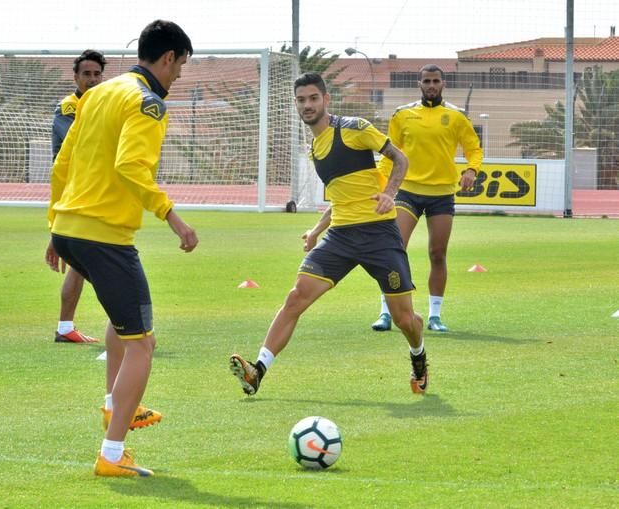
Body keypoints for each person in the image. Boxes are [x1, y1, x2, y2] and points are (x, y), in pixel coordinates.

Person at [45, 19, 198, 477]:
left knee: (121, 323)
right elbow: (132, 167)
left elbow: (63, 162)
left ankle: (117, 406)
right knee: (144, 344)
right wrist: (172, 216)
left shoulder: (97, 93)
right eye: (181, 67)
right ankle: (112, 455)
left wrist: (54, 225)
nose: (178, 77)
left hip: (71, 227)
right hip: (103, 234)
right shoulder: (148, 103)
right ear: (168, 58)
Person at [229, 72, 428, 398]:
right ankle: (258, 371)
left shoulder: (355, 128)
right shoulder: (315, 149)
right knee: (296, 297)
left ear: (326, 99)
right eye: (301, 100)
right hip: (340, 237)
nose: (307, 105)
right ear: (296, 104)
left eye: (313, 98)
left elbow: (400, 158)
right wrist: (316, 230)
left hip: (379, 235)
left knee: (404, 319)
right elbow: (339, 200)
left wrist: (391, 192)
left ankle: (418, 357)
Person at [370, 64, 483, 333]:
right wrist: (385, 189)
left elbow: (474, 149)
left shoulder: (456, 117)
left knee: (438, 254)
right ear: (419, 84)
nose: (431, 85)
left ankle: (435, 315)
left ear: (443, 84)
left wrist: (471, 170)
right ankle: (386, 312)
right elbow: (390, 156)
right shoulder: (402, 115)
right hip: (407, 192)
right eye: (426, 81)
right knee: (394, 251)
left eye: (436, 81)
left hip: (442, 195)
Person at [50, 49, 107, 344]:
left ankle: (65, 328)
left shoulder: (100, 105)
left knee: (80, 263)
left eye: (97, 74)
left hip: (90, 192)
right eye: (87, 74)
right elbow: (81, 141)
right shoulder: (68, 108)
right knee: (101, 259)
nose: (93, 80)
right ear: (76, 77)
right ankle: (126, 324)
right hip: (74, 194)